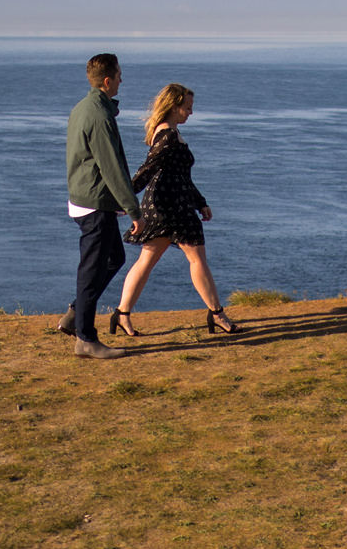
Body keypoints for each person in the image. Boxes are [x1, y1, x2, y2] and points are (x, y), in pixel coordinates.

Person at [112, 83, 243, 336]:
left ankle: (122, 314)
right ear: (174, 106)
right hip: (170, 208)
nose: (191, 112)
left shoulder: (170, 133)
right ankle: (217, 314)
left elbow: (179, 175)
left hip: (170, 205)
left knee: (148, 261)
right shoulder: (167, 136)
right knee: (195, 259)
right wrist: (124, 200)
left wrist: (200, 202)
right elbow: (146, 171)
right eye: (187, 107)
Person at [58, 53, 143, 359]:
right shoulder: (98, 115)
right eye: (119, 75)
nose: (122, 80)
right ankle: (85, 338)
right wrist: (133, 209)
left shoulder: (84, 108)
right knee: (91, 269)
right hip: (94, 203)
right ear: (107, 81)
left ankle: (76, 314)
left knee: (113, 258)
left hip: (86, 197)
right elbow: (112, 168)